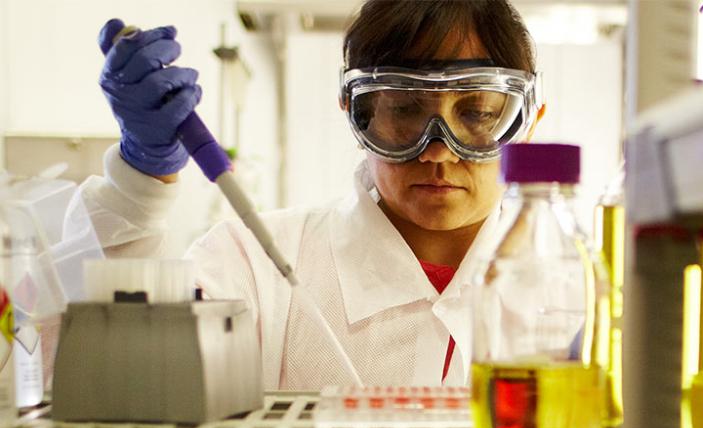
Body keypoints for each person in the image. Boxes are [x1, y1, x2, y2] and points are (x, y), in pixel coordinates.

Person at [77, 0, 543, 389]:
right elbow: (115, 379)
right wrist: (136, 186)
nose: (438, 150)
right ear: (355, 114)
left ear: (528, 124)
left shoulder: (578, 287)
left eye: (479, 113)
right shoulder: (253, 264)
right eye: (403, 109)